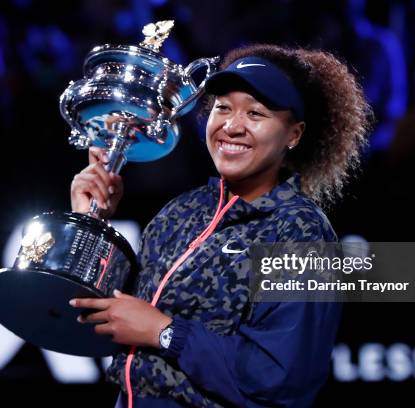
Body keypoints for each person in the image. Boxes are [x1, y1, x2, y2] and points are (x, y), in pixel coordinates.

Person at [68, 44, 371, 407]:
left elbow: (282, 377)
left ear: (294, 134)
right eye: (222, 108)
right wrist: (92, 219)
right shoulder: (181, 212)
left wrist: (165, 333)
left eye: (255, 113)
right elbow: (100, 313)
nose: (232, 125)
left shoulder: (298, 231)